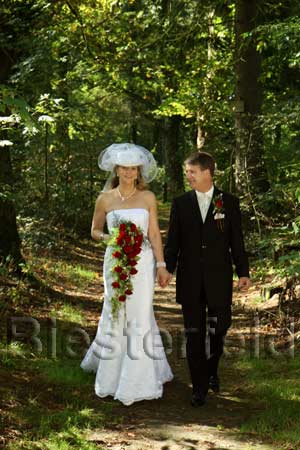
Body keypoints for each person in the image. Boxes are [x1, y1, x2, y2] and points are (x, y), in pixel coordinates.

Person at [81, 143, 173, 406]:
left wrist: (161, 264)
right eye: (124, 168)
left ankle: (139, 378)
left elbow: (154, 233)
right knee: (115, 311)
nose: (129, 173)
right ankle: (110, 375)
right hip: (115, 261)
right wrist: (113, 238)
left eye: (134, 169)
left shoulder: (148, 198)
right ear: (116, 169)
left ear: (138, 171)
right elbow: (94, 231)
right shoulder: (105, 199)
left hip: (142, 263)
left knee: (140, 313)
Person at [163, 151, 250, 407]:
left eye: (192, 172)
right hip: (190, 279)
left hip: (219, 278)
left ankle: (212, 369)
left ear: (207, 173)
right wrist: (167, 268)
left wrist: (243, 272)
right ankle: (198, 387)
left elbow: (237, 242)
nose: (188, 176)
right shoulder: (180, 203)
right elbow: (173, 243)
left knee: (219, 327)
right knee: (194, 333)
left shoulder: (229, 202)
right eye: (187, 172)